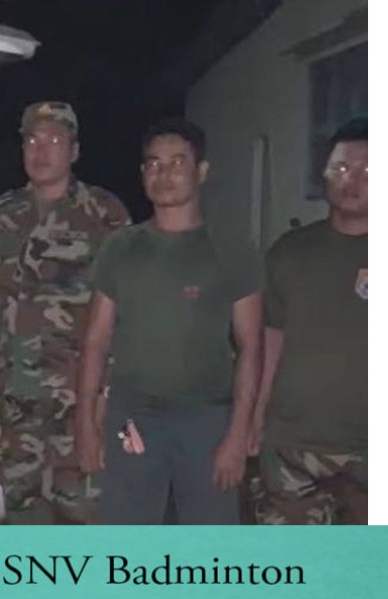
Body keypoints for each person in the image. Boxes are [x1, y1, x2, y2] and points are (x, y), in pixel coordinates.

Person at [75, 118, 262, 525]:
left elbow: (251, 347)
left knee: (210, 538)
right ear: (143, 173)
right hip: (134, 417)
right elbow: (96, 341)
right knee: (127, 534)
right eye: (154, 164)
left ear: (202, 171)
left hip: (207, 420)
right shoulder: (121, 247)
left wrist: (237, 433)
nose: (164, 174)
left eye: (178, 163)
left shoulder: (231, 248)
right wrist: (86, 422)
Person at [0, 101, 132, 524]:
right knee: (23, 510)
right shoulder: (3, 213)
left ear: (74, 151)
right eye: (32, 140)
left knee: (81, 511)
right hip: (19, 395)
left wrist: (106, 395)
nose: (40, 151)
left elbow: (125, 310)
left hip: (79, 396)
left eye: (54, 140)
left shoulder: (104, 213)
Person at [253, 118, 367, 524]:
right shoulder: (289, 252)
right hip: (293, 446)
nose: (353, 179)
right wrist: (255, 416)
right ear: (324, 174)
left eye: (370, 170)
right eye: (342, 167)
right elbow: (270, 341)